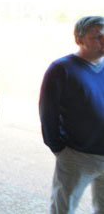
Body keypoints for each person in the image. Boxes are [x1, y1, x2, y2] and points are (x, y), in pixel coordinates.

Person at [39, 16, 104, 214]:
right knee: (64, 206)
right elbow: (48, 111)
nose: (103, 42)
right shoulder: (62, 69)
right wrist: (57, 146)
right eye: (98, 37)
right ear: (79, 39)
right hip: (77, 154)